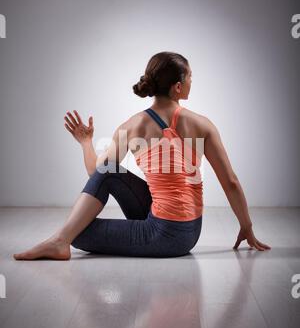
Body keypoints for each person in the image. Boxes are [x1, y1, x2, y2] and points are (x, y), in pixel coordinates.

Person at [13, 51, 271, 260]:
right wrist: (246, 226)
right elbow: (231, 181)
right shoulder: (202, 124)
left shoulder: (132, 126)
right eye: (191, 76)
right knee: (104, 179)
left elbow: (95, 173)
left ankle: (60, 241)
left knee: (77, 233)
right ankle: (61, 240)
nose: (193, 81)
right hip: (191, 231)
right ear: (178, 87)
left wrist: (85, 144)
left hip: (165, 236)